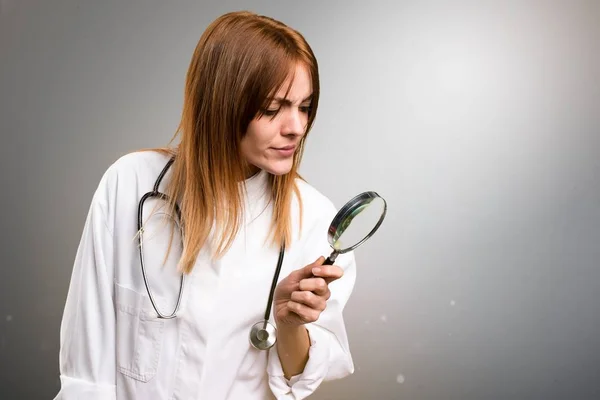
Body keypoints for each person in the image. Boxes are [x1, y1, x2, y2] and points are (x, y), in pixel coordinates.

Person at [54, 10, 357, 400]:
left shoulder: (314, 220)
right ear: (223, 103)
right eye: (273, 108)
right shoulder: (128, 185)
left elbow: (299, 380)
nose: (296, 127)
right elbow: (86, 373)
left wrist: (290, 325)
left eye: (304, 106)